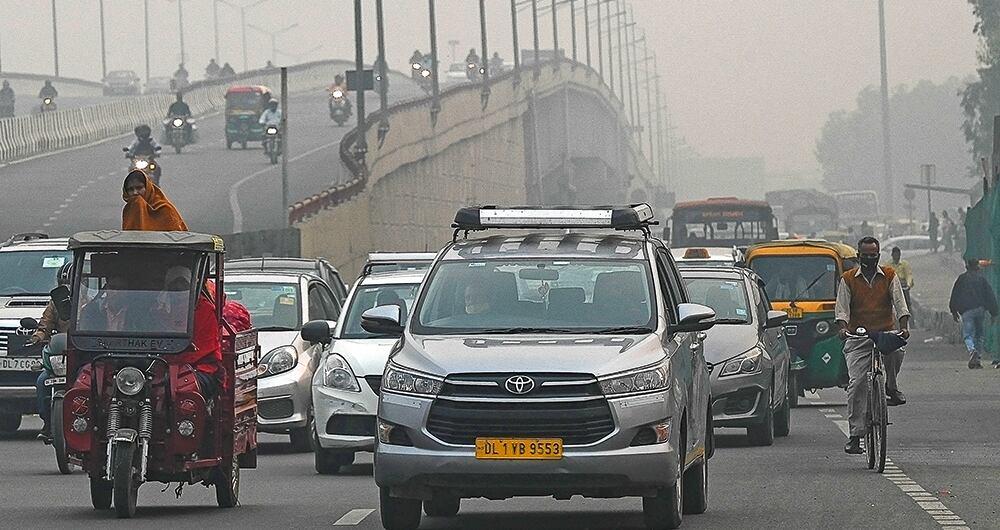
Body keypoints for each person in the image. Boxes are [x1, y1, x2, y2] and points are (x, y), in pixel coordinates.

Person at [835, 236, 910, 455]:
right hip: (859, 337)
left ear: (878, 255)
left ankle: (891, 387)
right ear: (859, 256)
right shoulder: (848, 279)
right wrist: (842, 328)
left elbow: (900, 304)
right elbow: (842, 310)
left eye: (873, 255)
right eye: (866, 255)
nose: (870, 259)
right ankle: (856, 435)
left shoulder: (889, 276)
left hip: (885, 332)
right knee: (857, 383)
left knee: (896, 351)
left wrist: (904, 326)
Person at [31, 262, 72, 442]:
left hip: (82, 352)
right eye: (62, 282)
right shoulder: (55, 304)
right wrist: (37, 337)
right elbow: (44, 325)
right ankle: (48, 423)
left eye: (69, 282)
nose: (66, 286)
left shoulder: (91, 302)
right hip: (59, 354)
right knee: (41, 382)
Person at [949, 259, 999, 369]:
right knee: (979, 334)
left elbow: (955, 294)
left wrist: (953, 310)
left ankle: (972, 351)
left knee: (968, 334)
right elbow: (989, 295)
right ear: (977, 267)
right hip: (980, 309)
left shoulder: (961, 279)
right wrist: (994, 312)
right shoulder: (982, 279)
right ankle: (978, 358)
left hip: (966, 310)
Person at [121, 169, 188, 231]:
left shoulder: (164, 209)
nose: (135, 192)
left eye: (139, 188)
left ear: (147, 188)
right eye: (130, 189)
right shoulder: (129, 210)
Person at [888, 247, 915, 324]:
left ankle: (912, 323)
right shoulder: (888, 264)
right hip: (892, 287)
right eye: (895, 255)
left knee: (907, 305)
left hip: (903, 287)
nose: (896, 257)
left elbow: (908, 275)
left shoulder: (905, 264)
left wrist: (908, 285)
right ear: (892, 255)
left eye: (898, 255)